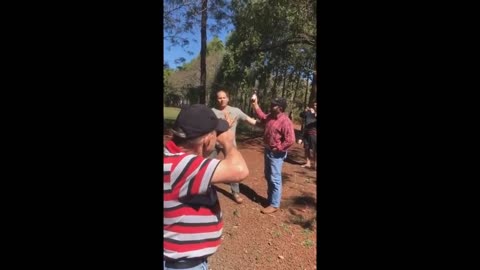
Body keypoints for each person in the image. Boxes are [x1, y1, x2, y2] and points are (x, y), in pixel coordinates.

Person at [163, 104, 250, 270]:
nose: (218, 137)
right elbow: (240, 170)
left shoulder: (171, 157)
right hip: (184, 265)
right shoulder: (183, 166)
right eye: (216, 133)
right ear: (207, 139)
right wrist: (228, 143)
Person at [210, 90, 258, 204]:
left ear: (228, 98)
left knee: (234, 167)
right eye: (219, 98)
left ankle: (235, 192)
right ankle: (206, 188)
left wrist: (268, 123)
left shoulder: (235, 111)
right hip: (214, 144)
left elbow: (250, 120)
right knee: (208, 164)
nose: (222, 100)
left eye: (224, 97)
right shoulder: (212, 112)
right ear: (216, 99)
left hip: (230, 145)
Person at [251, 96, 295, 214]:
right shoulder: (270, 116)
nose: (271, 106)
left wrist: (278, 148)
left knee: (274, 178)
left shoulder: (285, 121)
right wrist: (255, 104)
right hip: (267, 150)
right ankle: (270, 200)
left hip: (276, 154)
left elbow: (290, 140)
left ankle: (274, 205)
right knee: (268, 175)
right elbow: (262, 116)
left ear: (280, 108)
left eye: (273, 105)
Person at [298, 101, 317, 169]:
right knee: (306, 148)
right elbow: (301, 115)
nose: (315, 106)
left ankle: (315, 164)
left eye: (316, 105)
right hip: (306, 133)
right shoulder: (308, 113)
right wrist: (305, 111)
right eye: (314, 105)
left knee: (314, 150)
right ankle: (308, 163)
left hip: (314, 134)